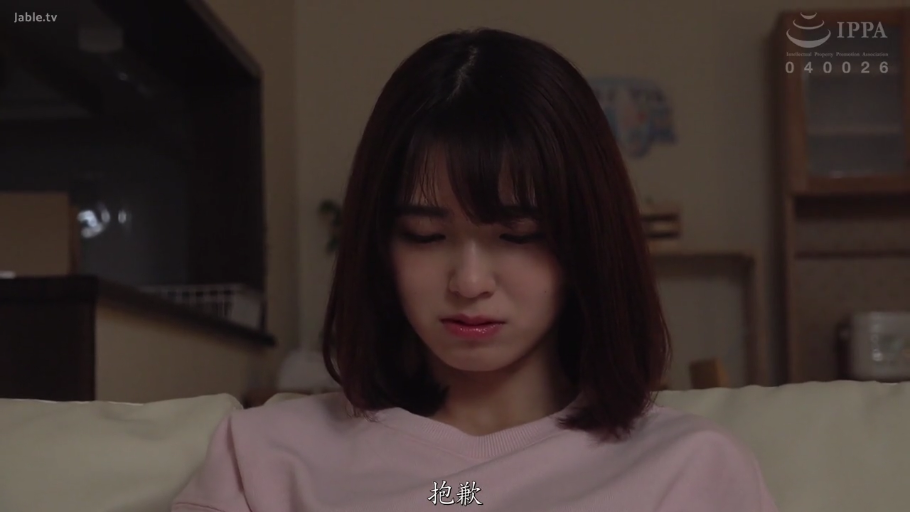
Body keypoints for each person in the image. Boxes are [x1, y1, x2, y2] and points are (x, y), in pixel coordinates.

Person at [171, 28, 778, 512]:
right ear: (379, 245)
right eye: (426, 236)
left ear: (586, 242)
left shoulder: (690, 469)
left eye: (517, 236)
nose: (468, 282)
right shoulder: (263, 455)